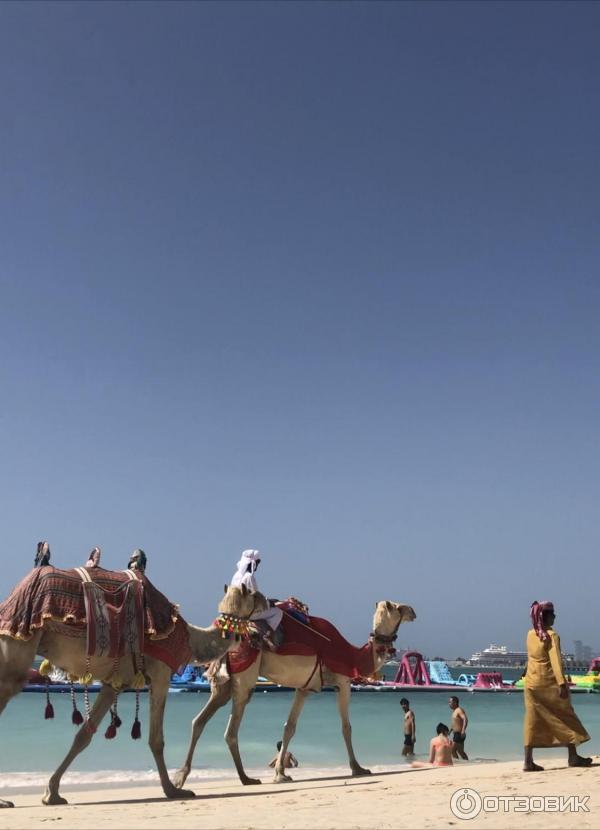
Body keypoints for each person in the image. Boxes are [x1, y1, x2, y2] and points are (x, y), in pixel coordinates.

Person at [523, 600, 591, 772]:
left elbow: (531, 658)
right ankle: (573, 756)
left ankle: (528, 761)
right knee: (565, 715)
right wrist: (562, 683)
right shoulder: (552, 636)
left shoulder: (531, 634)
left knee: (532, 719)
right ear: (544, 616)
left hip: (531, 683)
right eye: (552, 614)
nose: (555, 616)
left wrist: (524, 674)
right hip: (549, 682)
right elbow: (556, 661)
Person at [230, 549, 283, 650]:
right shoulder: (249, 577)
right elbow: (255, 598)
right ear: (253, 563)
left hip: (236, 612)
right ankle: (268, 636)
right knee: (277, 612)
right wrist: (269, 603)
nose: (258, 565)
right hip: (249, 613)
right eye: (257, 563)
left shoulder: (236, 576)